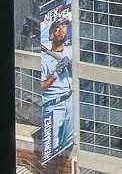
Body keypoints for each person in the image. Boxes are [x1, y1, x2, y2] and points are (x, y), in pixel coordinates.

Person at [37, 18, 73, 159]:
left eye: (64, 27)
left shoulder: (71, 51)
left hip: (70, 101)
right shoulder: (44, 59)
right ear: (51, 34)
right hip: (54, 105)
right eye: (57, 28)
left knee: (69, 145)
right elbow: (41, 87)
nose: (61, 30)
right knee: (50, 149)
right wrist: (55, 74)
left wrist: (70, 65)